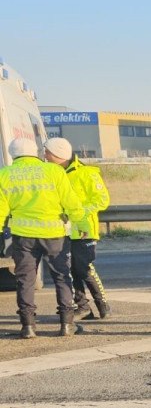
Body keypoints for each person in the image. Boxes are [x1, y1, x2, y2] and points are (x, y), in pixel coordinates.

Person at [0, 138, 91, 338]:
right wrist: (82, 224)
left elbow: (1, 209)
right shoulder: (54, 171)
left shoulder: (4, 174)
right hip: (54, 235)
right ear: (36, 152)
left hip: (23, 237)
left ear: (12, 154)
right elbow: (70, 201)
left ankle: (28, 326)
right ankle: (66, 324)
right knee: (61, 277)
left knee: (25, 280)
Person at [43, 138, 112, 320]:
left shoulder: (86, 173)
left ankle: (102, 304)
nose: (45, 156)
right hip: (61, 230)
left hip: (84, 230)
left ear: (58, 154)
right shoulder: (51, 174)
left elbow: (102, 200)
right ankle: (83, 307)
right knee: (70, 271)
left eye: (48, 152)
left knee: (83, 268)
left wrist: (78, 212)